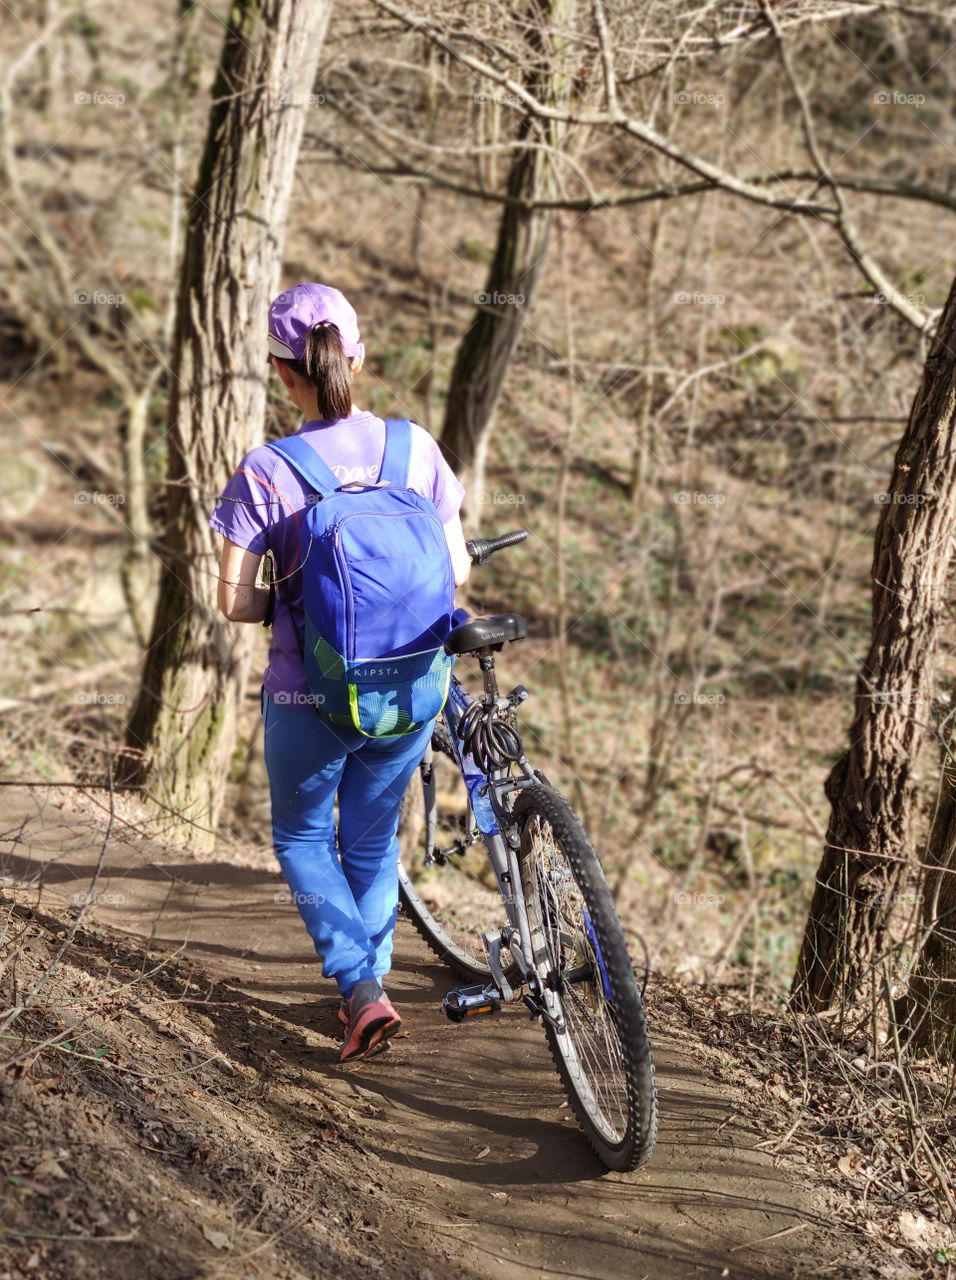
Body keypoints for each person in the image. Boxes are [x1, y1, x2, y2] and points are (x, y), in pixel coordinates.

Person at [209, 282, 470, 1062]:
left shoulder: (266, 471)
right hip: (412, 688)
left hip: (309, 693)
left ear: (283, 373)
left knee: (298, 834)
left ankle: (361, 991)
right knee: (370, 840)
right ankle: (370, 986)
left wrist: (292, 597)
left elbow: (234, 604)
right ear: (357, 356)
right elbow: (454, 566)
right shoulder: (414, 448)